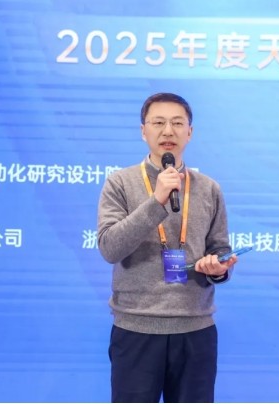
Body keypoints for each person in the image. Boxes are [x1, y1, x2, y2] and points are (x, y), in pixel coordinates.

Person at [97, 92, 238, 403]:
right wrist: (157, 200)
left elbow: (220, 250)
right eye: (158, 122)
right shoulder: (120, 183)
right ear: (143, 131)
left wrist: (218, 269)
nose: (168, 131)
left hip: (195, 329)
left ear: (190, 132)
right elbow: (109, 248)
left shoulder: (209, 188)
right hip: (136, 329)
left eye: (177, 123)